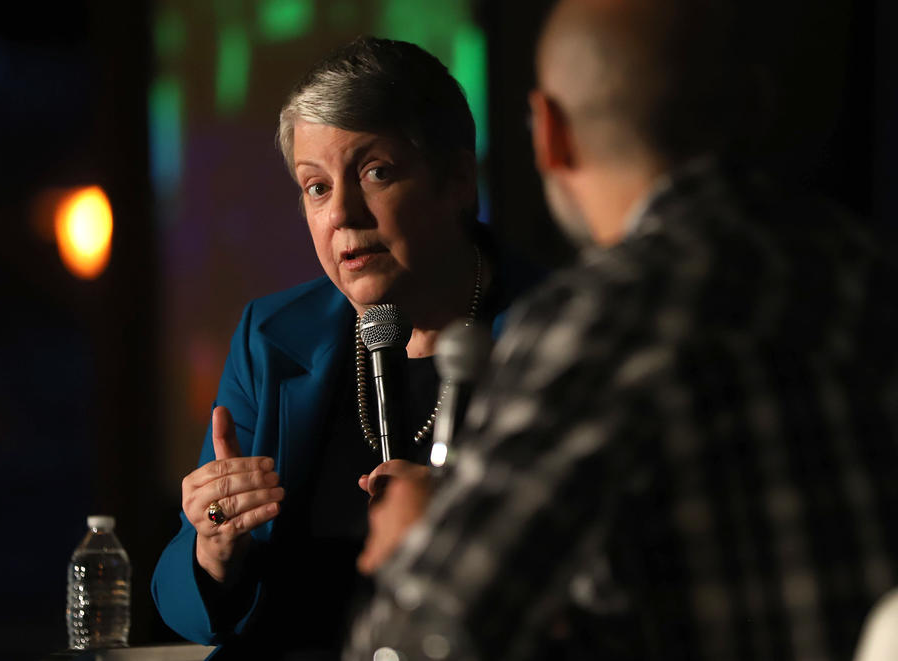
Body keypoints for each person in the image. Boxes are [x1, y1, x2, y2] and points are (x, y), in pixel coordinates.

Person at [347, 1, 898, 659]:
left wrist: (424, 543)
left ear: (549, 132)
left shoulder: (595, 322)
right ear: (756, 104)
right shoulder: (870, 274)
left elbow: (412, 647)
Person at [150, 36, 539, 659]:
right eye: (316, 187)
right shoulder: (273, 336)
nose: (342, 216)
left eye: (375, 172)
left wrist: (466, 533)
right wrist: (213, 546)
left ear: (458, 178)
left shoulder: (549, 328)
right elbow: (184, 607)